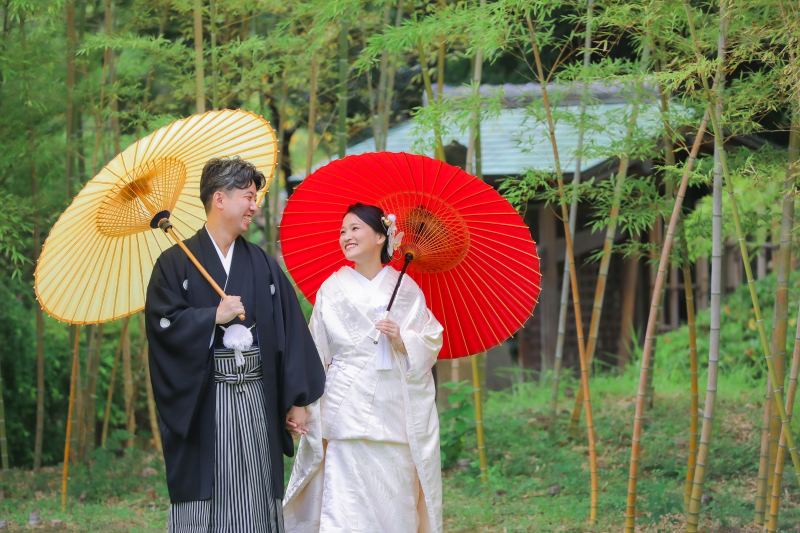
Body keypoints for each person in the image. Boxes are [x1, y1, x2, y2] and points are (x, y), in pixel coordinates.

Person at [145, 156, 325, 533]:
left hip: (258, 396)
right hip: (204, 399)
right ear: (219, 199)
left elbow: (290, 331)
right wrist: (211, 316)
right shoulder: (173, 264)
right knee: (208, 496)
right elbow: (163, 327)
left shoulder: (263, 264)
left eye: (255, 196)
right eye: (247, 196)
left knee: (256, 493)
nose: (254, 205)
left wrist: (297, 400)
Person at [283, 203, 444, 533]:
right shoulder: (331, 288)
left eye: (355, 228)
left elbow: (431, 341)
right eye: (343, 231)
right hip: (345, 410)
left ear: (381, 236)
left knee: (395, 508)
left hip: (393, 412)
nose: (346, 236)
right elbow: (315, 352)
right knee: (345, 511)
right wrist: (300, 402)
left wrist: (402, 338)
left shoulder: (406, 289)